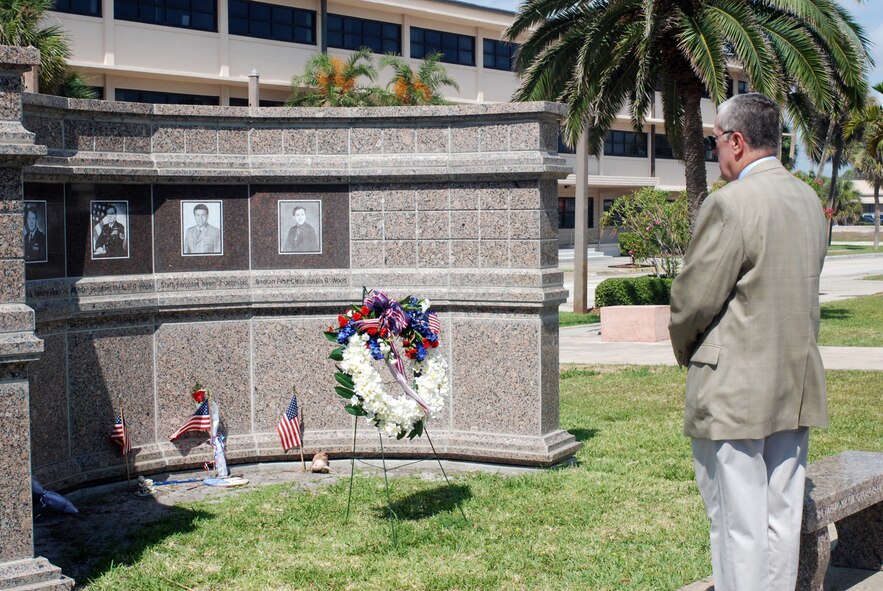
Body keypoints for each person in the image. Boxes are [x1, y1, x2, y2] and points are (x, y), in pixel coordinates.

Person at [669, 93, 828, 591]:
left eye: (716, 141)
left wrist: (685, 348)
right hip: (795, 381)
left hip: (734, 384)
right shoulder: (807, 200)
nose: (715, 152)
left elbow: (693, 301)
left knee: (736, 523)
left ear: (737, 142)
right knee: (782, 516)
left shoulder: (729, 203)